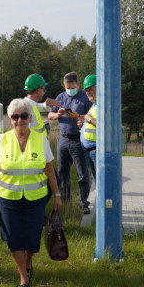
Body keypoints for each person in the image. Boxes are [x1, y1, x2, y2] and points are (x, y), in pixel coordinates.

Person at [0, 98, 62, 287]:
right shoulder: (2, 139)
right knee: (14, 239)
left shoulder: (40, 139)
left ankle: (28, 262)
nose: (19, 120)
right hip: (8, 199)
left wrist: (57, 195)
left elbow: (49, 170)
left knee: (33, 239)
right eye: (15, 117)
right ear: (10, 118)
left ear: (30, 117)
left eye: (23, 116)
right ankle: (23, 278)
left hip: (35, 199)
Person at [48, 72, 93, 214]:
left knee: (82, 173)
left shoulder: (85, 98)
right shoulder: (60, 97)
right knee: (62, 172)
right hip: (62, 139)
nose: (70, 90)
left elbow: (90, 116)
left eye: (72, 87)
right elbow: (50, 114)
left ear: (78, 85)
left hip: (78, 140)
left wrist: (80, 119)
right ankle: (65, 200)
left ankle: (83, 203)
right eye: (67, 87)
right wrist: (58, 115)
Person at [80, 74, 98, 179]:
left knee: (100, 181)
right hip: (90, 151)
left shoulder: (103, 105)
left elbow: (104, 127)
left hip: (96, 151)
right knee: (96, 181)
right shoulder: (94, 105)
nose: (87, 93)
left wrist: (89, 120)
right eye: (86, 90)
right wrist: (83, 124)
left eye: (90, 89)